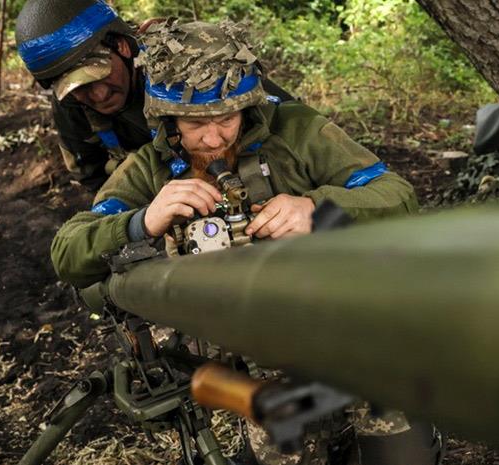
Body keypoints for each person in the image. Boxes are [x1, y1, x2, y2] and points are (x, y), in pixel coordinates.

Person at [50, 19, 440, 465]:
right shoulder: (149, 168)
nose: (214, 138)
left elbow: (398, 195)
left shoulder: (296, 132)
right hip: (262, 360)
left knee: (403, 458)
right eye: (196, 123)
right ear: (166, 116)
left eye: (227, 118)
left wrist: (317, 207)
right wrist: (142, 221)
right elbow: (68, 251)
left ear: (248, 106)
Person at [14, 0, 291, 189]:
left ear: (122, 46)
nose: (97, 95)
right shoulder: (71, 105)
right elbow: (93, 179)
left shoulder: (179, 62)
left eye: (99, 74)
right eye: (79, 89)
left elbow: (291, 118)